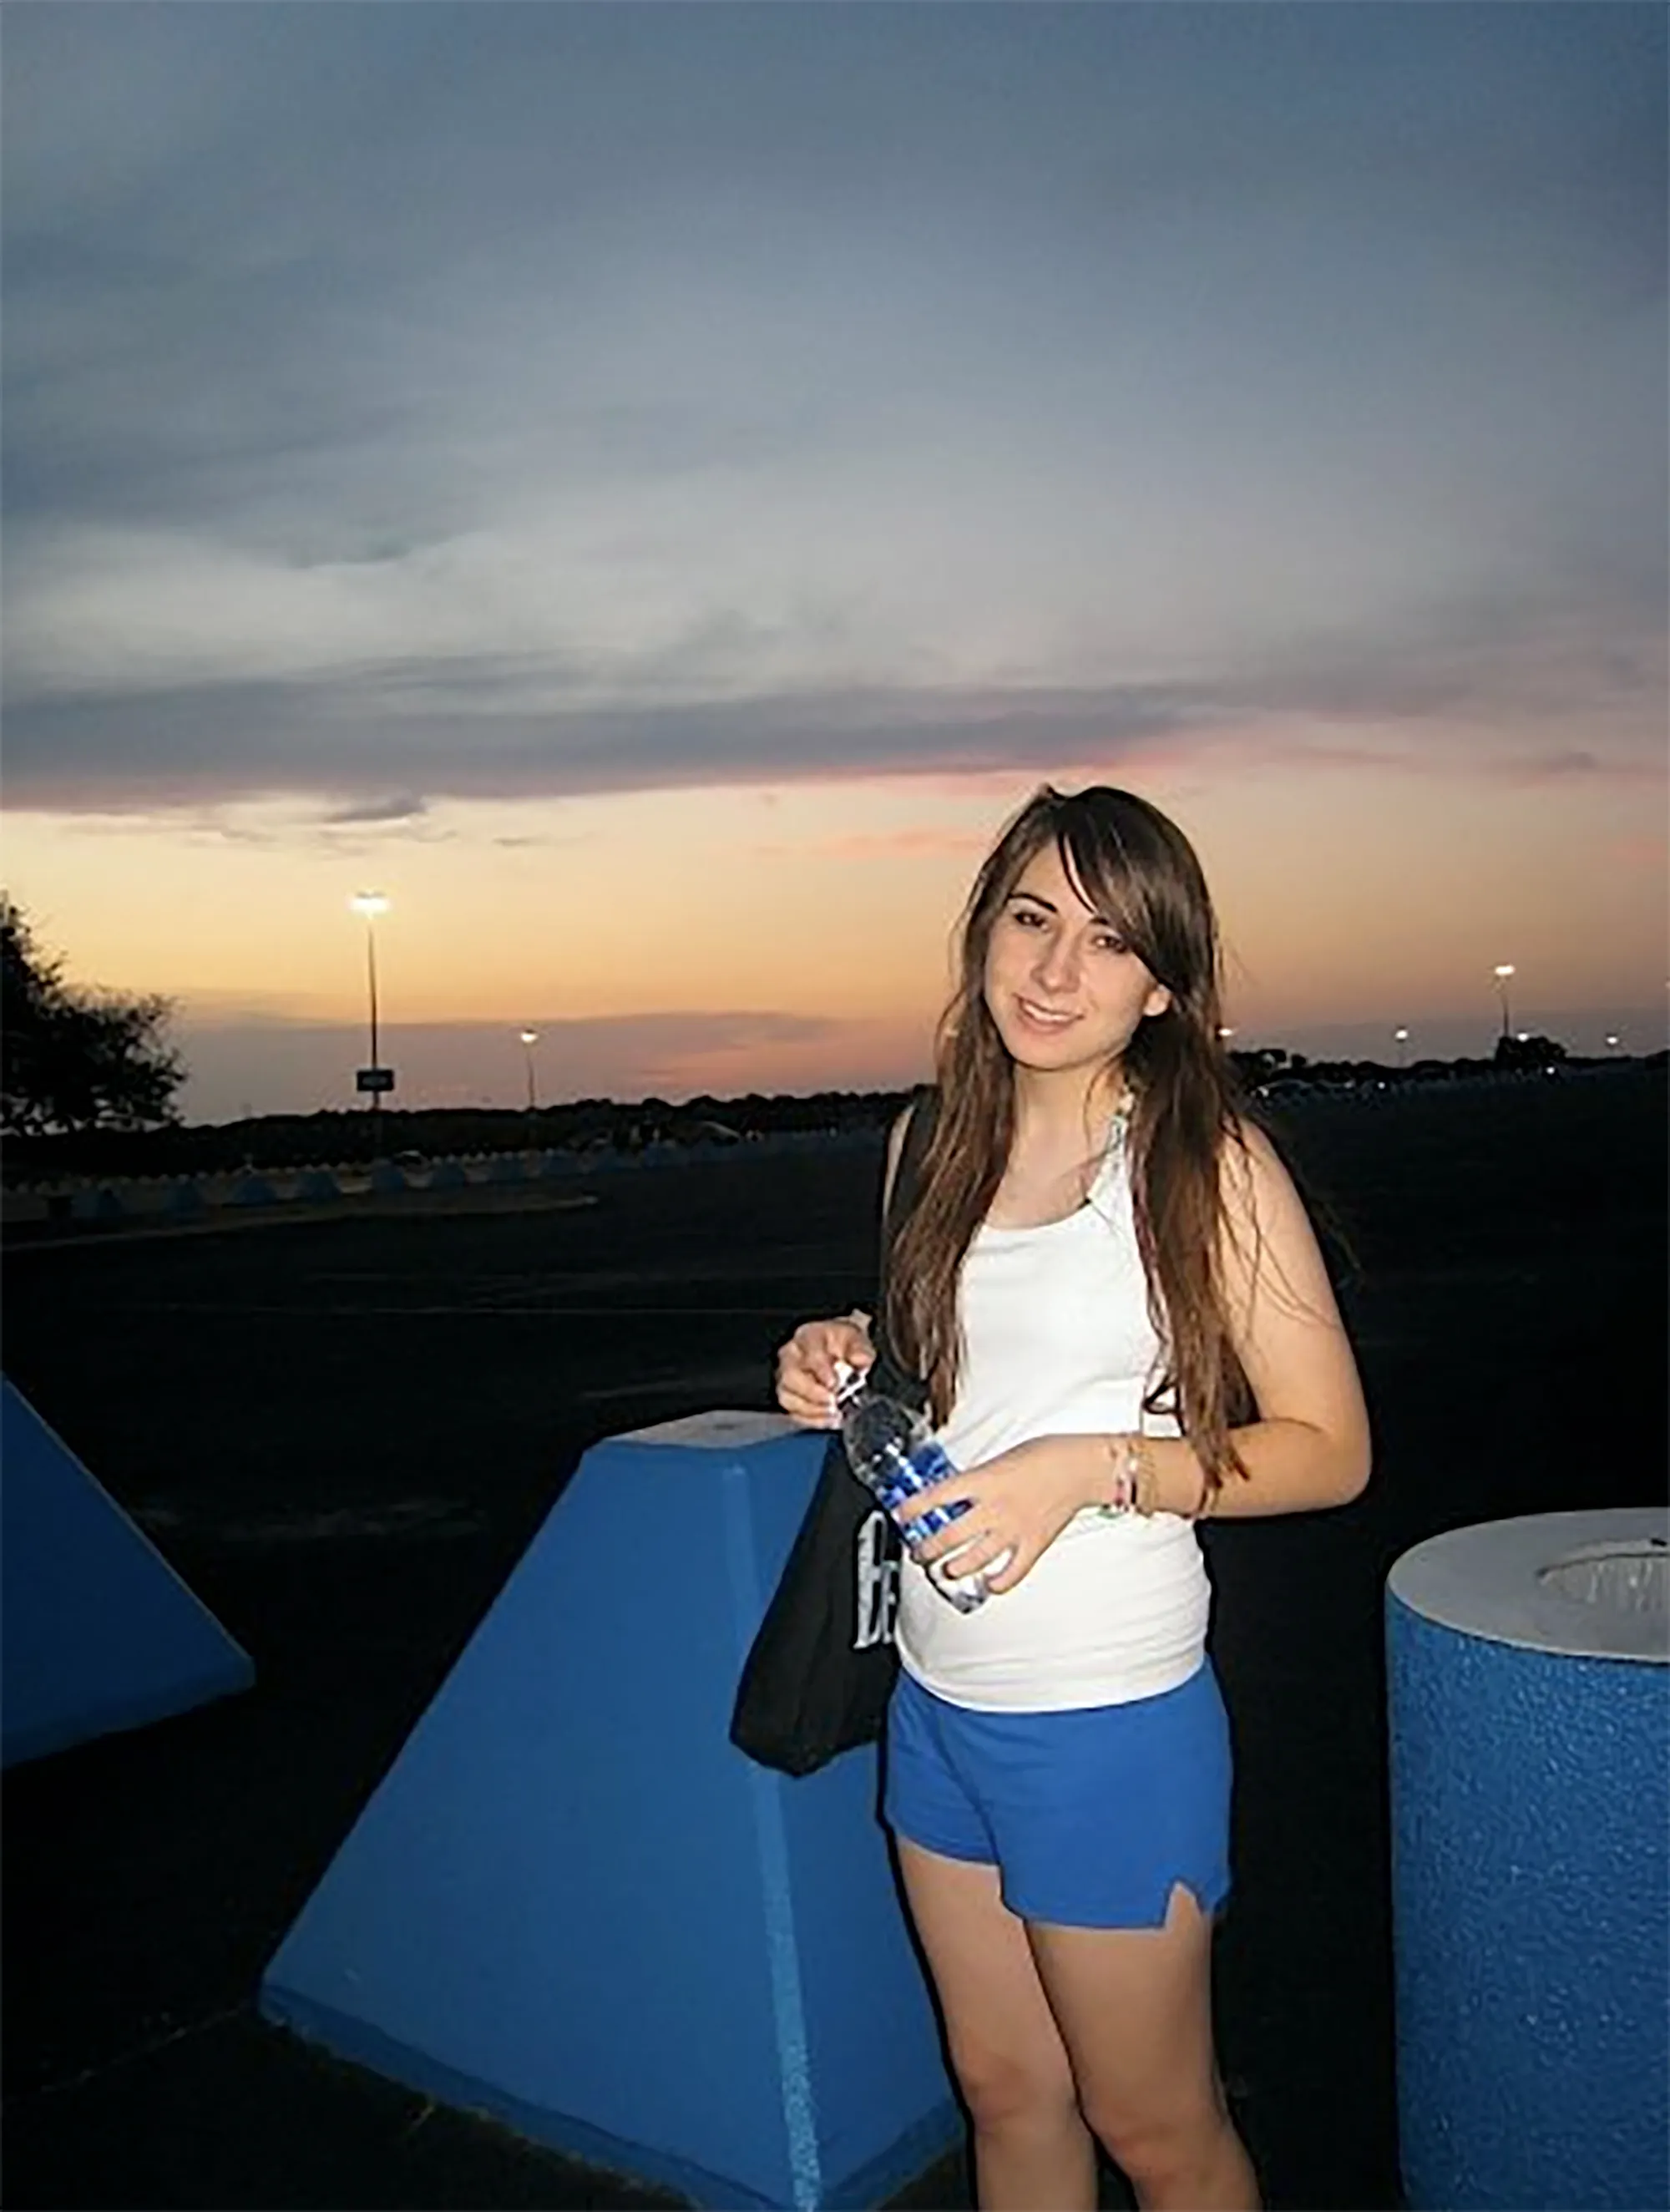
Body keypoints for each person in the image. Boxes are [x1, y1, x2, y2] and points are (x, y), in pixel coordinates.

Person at [774, 784, 1370, 2212]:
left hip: (1108, 1721)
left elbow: (1330, 1449)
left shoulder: (1198, 1165)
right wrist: (841, 1356)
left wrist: (1096, 1468)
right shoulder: (929, 1145)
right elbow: (960, 1377)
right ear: (984, 930)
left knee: (1156, 2133)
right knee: (1005, 2095)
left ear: (1163, 983)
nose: (1055, 972)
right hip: (937, 1705)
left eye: (1108, 943)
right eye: (1032, 919)